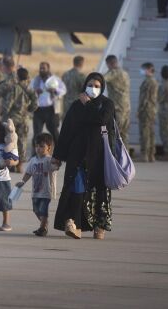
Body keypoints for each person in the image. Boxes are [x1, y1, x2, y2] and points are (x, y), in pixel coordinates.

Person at [52, 72, 116, 240]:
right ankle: (75, 224)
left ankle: (99, 226)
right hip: (78, 155)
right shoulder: (75, 106)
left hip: (99, 156)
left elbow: (101, 120)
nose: (93, 89)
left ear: (102, 88)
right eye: (90, 85)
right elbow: (66, 132)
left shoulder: (107, 104)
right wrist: (57, 156)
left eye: (97, 86)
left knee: (99, 191)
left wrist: (88, 104)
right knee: (76, 189)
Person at [16, 132, 59, 237]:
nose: (38, 148)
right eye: (36, 146)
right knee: (36, 210)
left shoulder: (49, 160)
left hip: (46, 191)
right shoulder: (33, 160)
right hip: (36, 191)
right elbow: (28, 173)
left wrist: (57, 161)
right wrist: (22, 181)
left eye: (41, 146)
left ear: (49, 147)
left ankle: (42, 228)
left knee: (43, 210)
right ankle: (44, 223)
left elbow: (56, 166)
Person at [30, 62, 65, 148]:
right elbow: (29, 91)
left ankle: (59, 152)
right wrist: (35, 92)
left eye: (43, 68)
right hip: (38, 110)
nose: (41, 70)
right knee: (37, 133)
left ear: (48, 69)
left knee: (54, 132)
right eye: (40, 68)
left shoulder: (54, 79)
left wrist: (55, 90)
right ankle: (35, 155)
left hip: (51, 110)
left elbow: (63, 90)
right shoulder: (35, 80)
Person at [104, 55, 131, 145]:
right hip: (126, 107)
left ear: (108, 64)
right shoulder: (125, 73)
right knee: (124, 135)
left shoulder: (113, 73)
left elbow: (102, 79)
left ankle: (115, 157)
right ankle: (125, 156)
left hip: (117, 108)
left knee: (114, 134)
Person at [138, 63, 158, 162]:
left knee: (145, 133)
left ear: (149, 69)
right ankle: (151, 155)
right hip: (152, 110)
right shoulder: (154, 81)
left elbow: (144, 99)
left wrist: (140, 110)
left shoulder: (148, 82)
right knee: (151, 133)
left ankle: (144, 155)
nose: (142, 71)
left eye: (144, 69)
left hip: (146, 110)